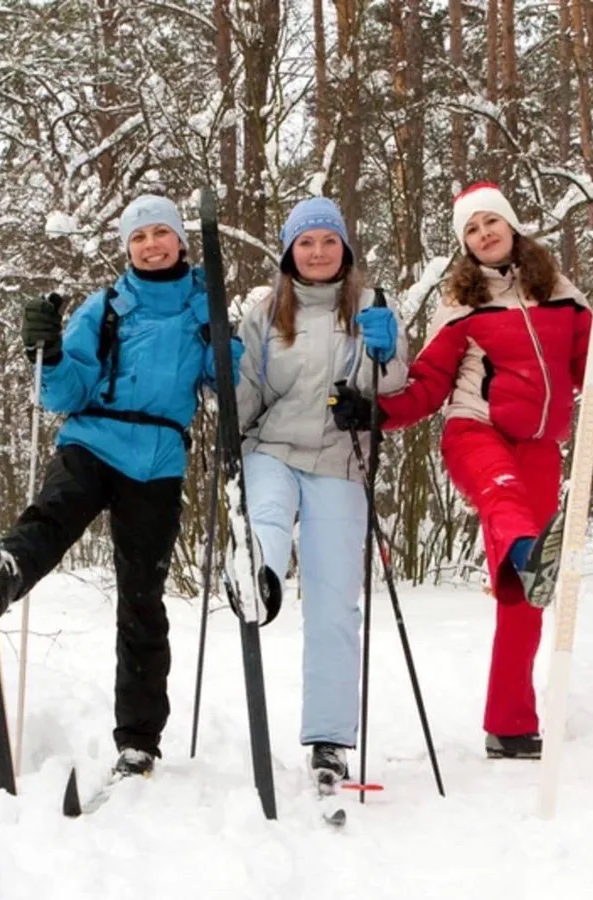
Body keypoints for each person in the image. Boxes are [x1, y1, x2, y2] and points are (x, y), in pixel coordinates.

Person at [332, 182, 593, 760]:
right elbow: (428, 388)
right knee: (505, 502)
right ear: (464, 244)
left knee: (522, 599)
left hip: (540, 446)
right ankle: (524, 552)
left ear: (512, 226)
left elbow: (591, 368)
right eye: (471, 229)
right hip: (475, 431)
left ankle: (510, 725)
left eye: (490, 222)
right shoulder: (463, 309)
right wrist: (375, 411)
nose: (483, 234)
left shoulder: (563, 298)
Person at [0, 194, 242, 778]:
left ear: (180, 241)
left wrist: (227, 345)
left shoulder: (206, 311)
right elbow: (63, 393)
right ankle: (7, 570)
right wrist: (47, 355)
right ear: (126, 247)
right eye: (139, 237)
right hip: (94, 439)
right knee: (56, 511)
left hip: (157, 460)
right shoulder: (105, 309)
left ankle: (139, 740)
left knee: (142, 600)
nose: (151, 245)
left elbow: (229, 384)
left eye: (161, 233)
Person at [235, 196, 408, 790]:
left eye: (327, 241)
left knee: (336, 603)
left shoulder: (371, 307)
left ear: (344, 249)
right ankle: (259, 574)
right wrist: (224, 370)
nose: (316, 252)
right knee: (268, 517)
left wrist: (385, 355)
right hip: (273, 449)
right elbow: (243, 405)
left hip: (340, 460)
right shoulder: (263, 315)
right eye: (305, 243)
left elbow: (389, 389)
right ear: (289, 252)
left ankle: (330, 741)